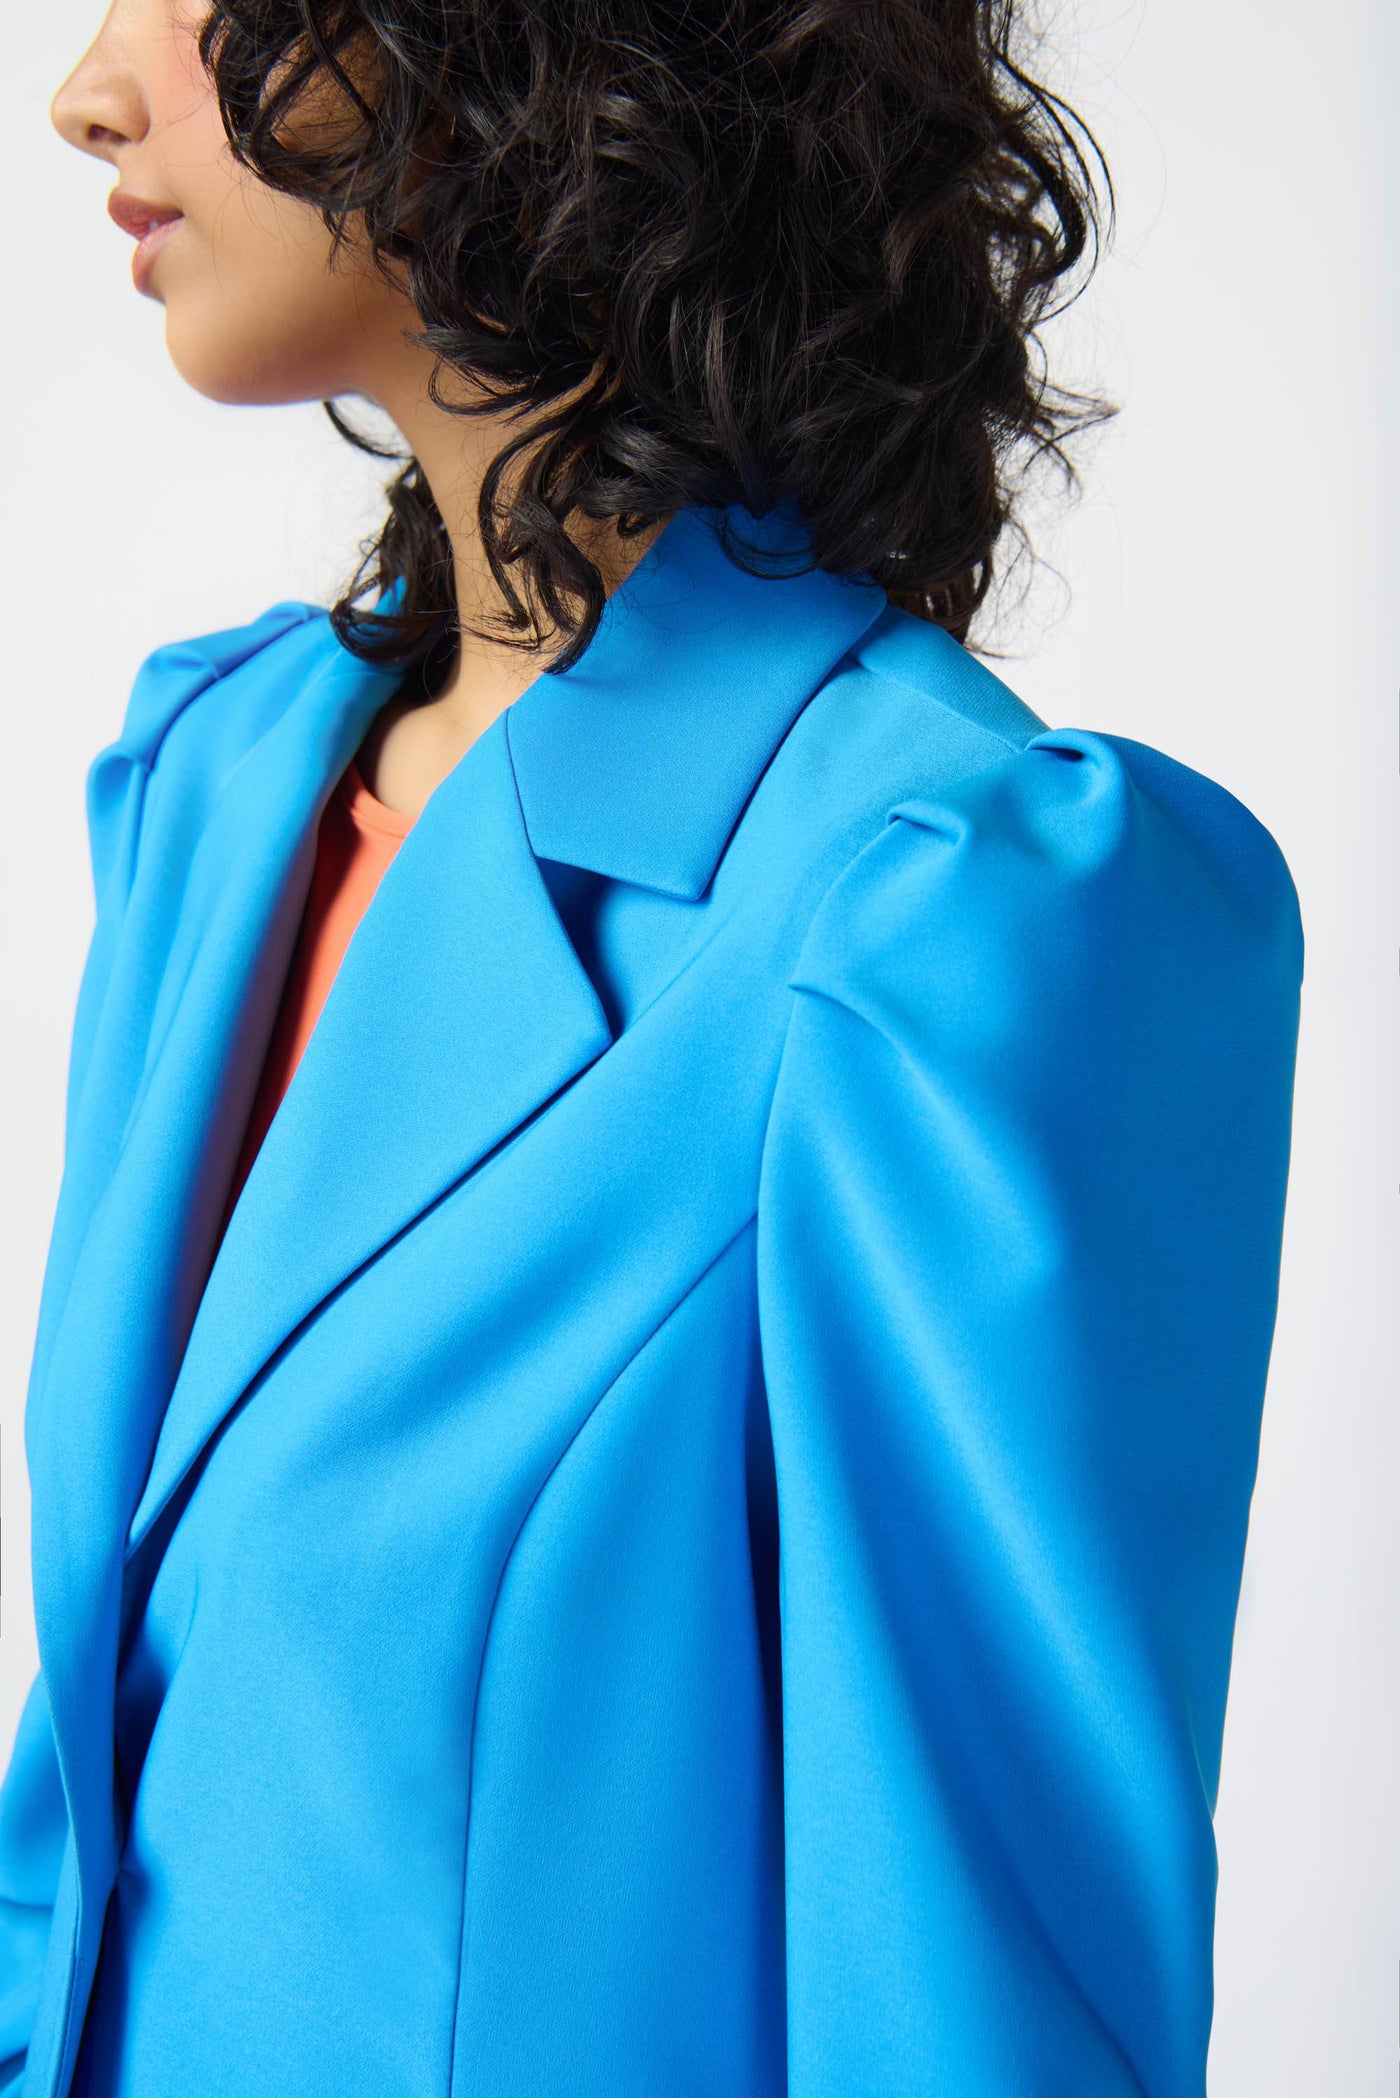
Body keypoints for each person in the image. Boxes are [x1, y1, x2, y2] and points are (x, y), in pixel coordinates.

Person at [0, 0, 1302, 2091]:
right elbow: (91, 1815)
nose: (87, 91)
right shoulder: (217, 788)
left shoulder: (942, 911)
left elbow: (968, 2010)